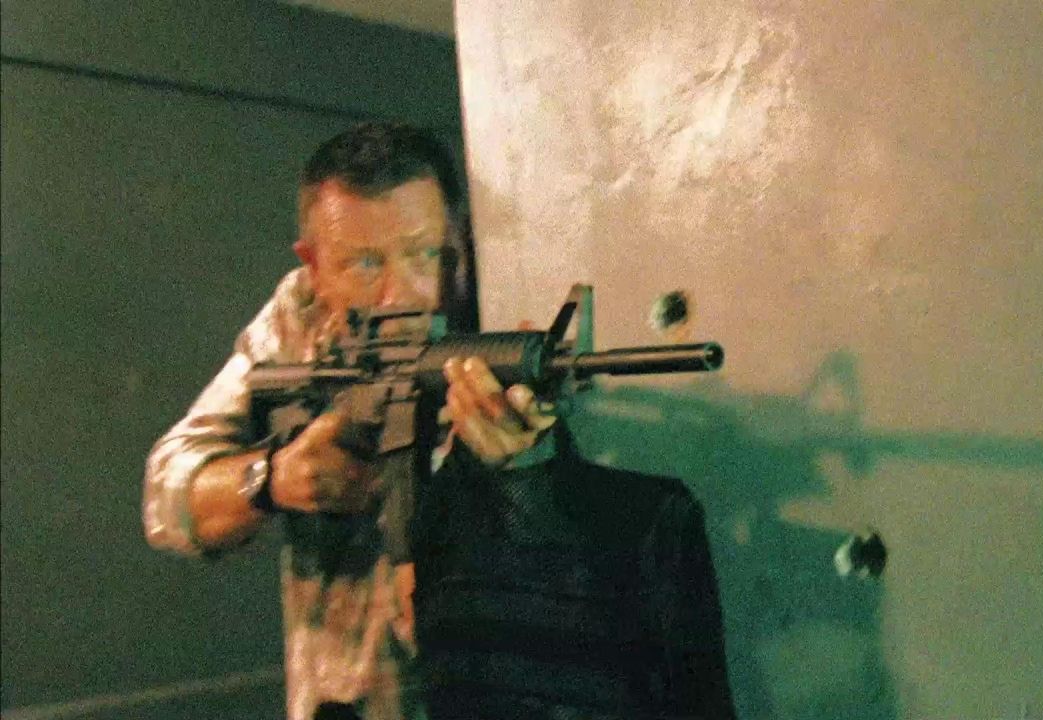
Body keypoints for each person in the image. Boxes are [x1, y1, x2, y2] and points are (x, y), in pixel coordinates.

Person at [144, 122, 736, 719]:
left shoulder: (501, 301)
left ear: (458, 238)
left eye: (425, 253)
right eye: (364, 264)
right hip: (344, 696)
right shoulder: (297, 321)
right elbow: (166, 494)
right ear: (314, 265)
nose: (400, 294)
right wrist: (273, 479)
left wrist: (521, 466)